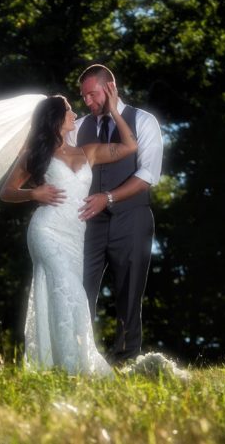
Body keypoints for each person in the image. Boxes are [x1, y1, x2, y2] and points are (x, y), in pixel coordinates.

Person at [0, 88, 137, 375]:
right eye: (69, 110)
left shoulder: (88, 151)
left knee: (68, 295)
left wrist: (113, 109)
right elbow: (6, 192)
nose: (75, 113)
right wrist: (33, 193)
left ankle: (61, 365)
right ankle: (72, 368)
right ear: (56, 118)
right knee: (69, 291)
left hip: (75, 237)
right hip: (46, 230)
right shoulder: (35, 154)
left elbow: (129, 146)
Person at [66, 64, 163, 365]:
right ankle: (80, 357)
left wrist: (107, 197)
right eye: (84, 97)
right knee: (79, 287)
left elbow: (148, 174)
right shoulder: (79, 128)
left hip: (131, 218)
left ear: (110, 88)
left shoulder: (144, 121)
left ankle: (125, 359)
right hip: (87, 221)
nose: (89, 102)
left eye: (93, 95)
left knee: (130, 291)